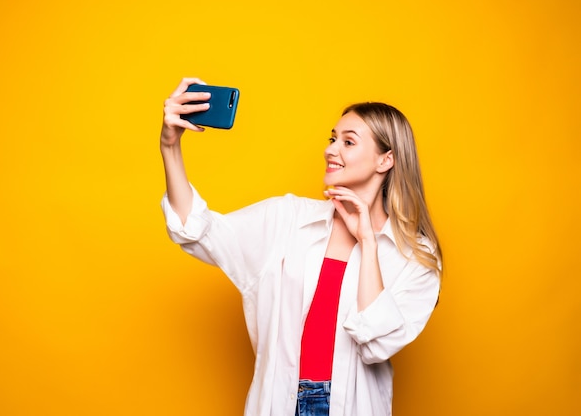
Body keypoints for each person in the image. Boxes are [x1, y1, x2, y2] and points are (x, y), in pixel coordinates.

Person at [160, 77, 442, 416]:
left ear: (386, 160)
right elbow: (197, 231)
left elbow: (376, 344)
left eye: (348, 142)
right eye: (332, 138)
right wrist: (170, 147)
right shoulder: (288, 218)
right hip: (278, 403)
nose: (330, 149)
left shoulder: (415, 255)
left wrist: (367, 241)